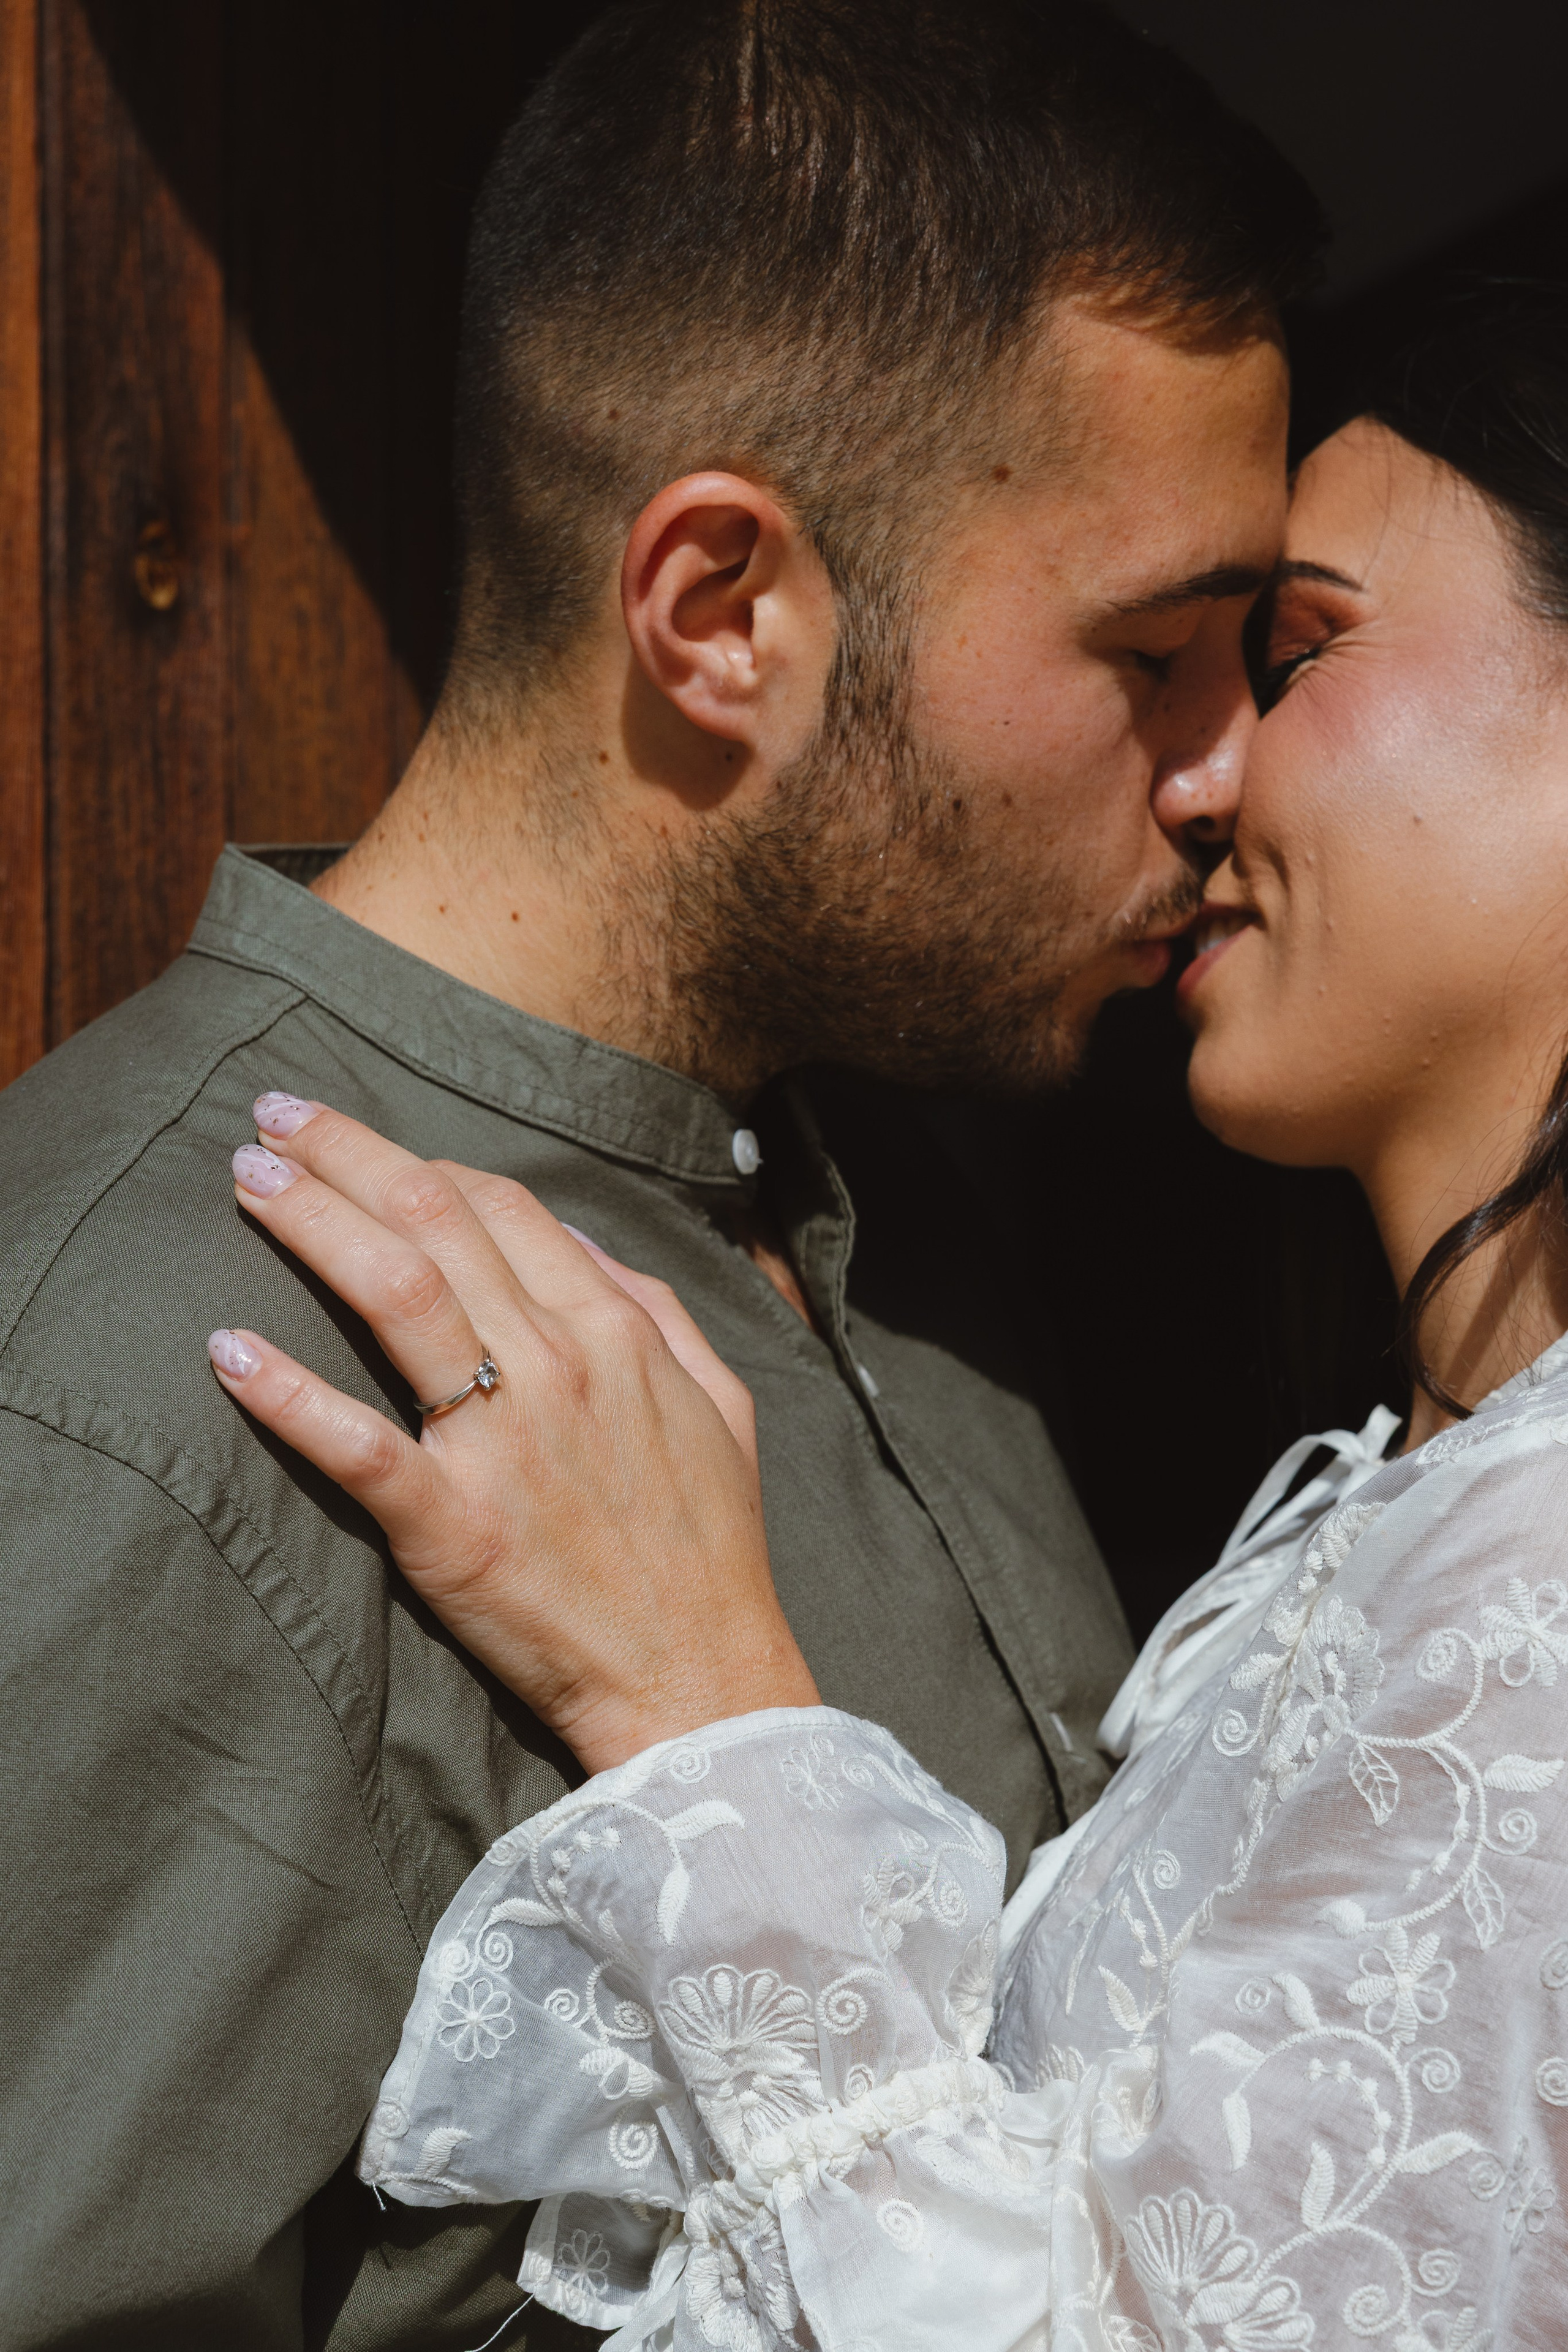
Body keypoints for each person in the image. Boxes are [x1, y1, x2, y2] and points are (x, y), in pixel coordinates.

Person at [0, 4, 1324, 2343]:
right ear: (721, 611)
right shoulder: (134, 1387)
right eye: (1158, 648)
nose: (1227, 769)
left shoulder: (893, 1187)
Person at [213, 281, 1568, 2348]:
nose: (1197, 777)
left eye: (1293, 653)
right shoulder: (1413, 1486)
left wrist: (702, 1703)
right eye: (1162, 659)